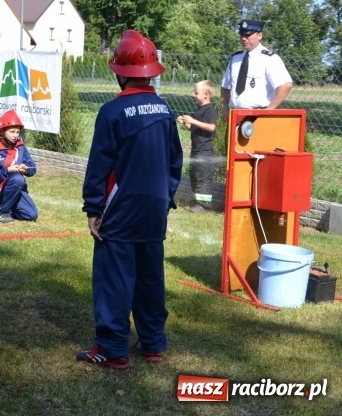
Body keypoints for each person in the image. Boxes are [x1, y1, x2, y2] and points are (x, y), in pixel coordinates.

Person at [78, 30, 183, 370]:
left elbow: (99, 166)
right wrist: (165, 202)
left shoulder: (112, 112)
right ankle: (153, 343)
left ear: (119, 72)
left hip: (120, 210)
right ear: (152, 71)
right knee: (150, 277)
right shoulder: (165, 111)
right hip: (154, 209)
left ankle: (112, 349)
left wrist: (94, 208)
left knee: (115, 279)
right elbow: (174, 163)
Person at [220, 19, 293, 121]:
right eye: (242, 35)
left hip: (258, 116)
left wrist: (268, 111)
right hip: (235, 114)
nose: (244, 39)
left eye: (248, 35)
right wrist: (224, 107)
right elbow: (225, 86)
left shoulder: (269, 59)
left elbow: (285, 85)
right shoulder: (235, 59)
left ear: (260, 35)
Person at [0, 110, 38, 224]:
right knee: (17, 178)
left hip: (16, 187)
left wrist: (26, 169)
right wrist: (8, 170)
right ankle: (3, 212)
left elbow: (33, 168)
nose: (15, 135)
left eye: (17, 132)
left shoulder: (21, 148)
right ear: (2, 131)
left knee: (31, 215)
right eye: (12, 132)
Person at [177, 80, 217, 213]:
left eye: (196, 93)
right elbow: (192, 128)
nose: (193, 95)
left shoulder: (210, 110)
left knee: (203, 177)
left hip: (205, 151)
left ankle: (204, 205)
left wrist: (193, 120)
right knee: (195, 175)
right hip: (196, 149)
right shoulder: (199, 110)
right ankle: (196, 202)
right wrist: (185, 122)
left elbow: (211, 127)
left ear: (206, 94)